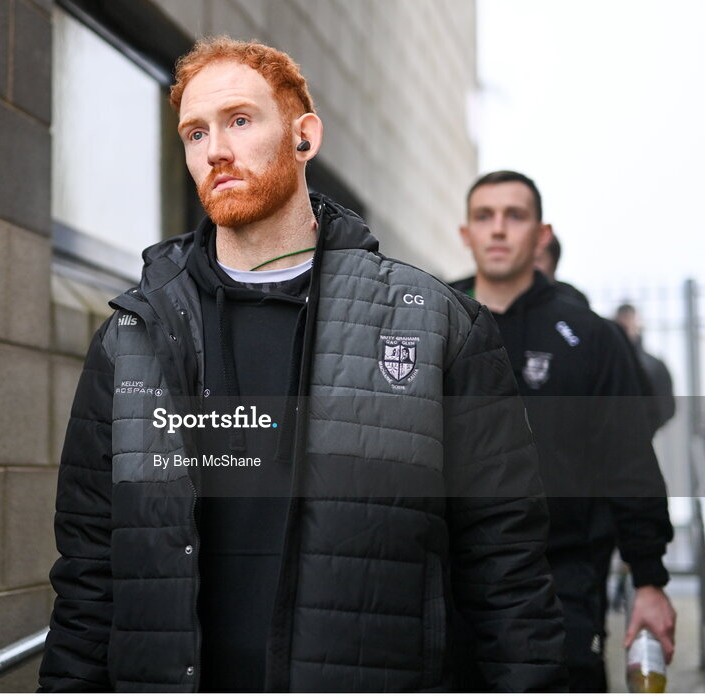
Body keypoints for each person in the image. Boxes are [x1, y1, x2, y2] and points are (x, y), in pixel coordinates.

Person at [38, 39, 566, 692]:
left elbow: (507, 569)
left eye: (239, 120)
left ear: (304, 136)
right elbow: (89, 577)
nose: (215, 150)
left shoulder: (436, 324)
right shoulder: (131, 339)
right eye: (195, 132)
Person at [453, 170, 675, 692]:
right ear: (466, 233)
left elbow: (629, 461)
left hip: (562, 580)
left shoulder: (592, 337)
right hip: (450, 581)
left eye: (515, 216)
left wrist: (649, 579)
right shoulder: (433, 318)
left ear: (541, 234)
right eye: (485, 216)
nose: (498, 229)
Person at [616, 303, 677, 434]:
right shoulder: (610, 362)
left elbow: (667, 406)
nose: (626, 328)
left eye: (628, 323)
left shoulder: (654, 365)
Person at [533, 231, 591, 306]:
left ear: (554, 263)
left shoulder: (572, 299)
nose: (529, 268)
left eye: (537, 260)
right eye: (525, 261)